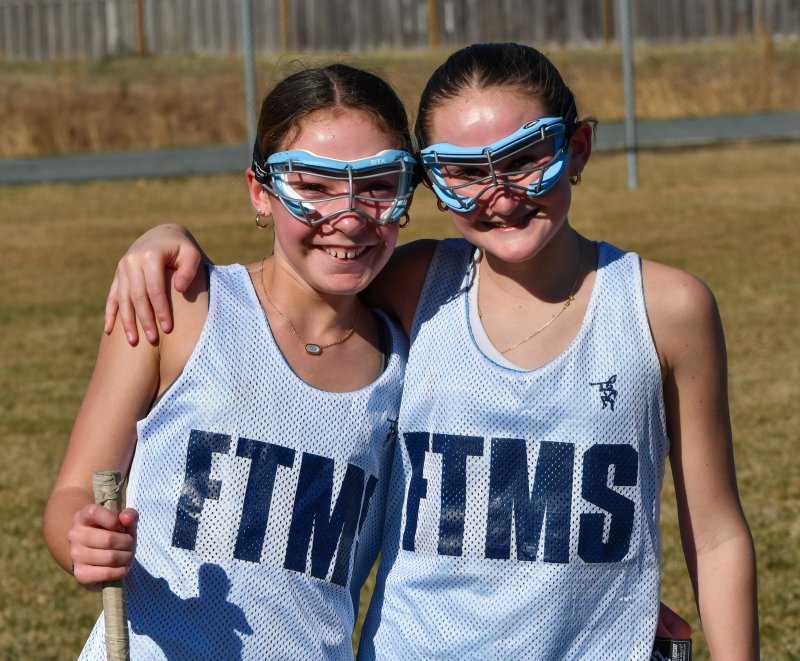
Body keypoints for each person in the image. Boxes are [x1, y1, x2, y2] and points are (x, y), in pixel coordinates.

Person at [102, 43, 758, 659]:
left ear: (578, 147)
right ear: (430, 182)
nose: (500, 192)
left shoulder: (667, 308)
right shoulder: (417, 286)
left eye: (526, 156)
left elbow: (719, 532)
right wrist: (161, 238)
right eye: (466, 172)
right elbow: (289, 280)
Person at [42, 63, 417, 659]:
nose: (348, 218)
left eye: (376, 184)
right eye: (313, 186)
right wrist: (81, 541)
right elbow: (72, 493)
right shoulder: (181, 307)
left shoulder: (409, 362)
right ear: (260, 193)